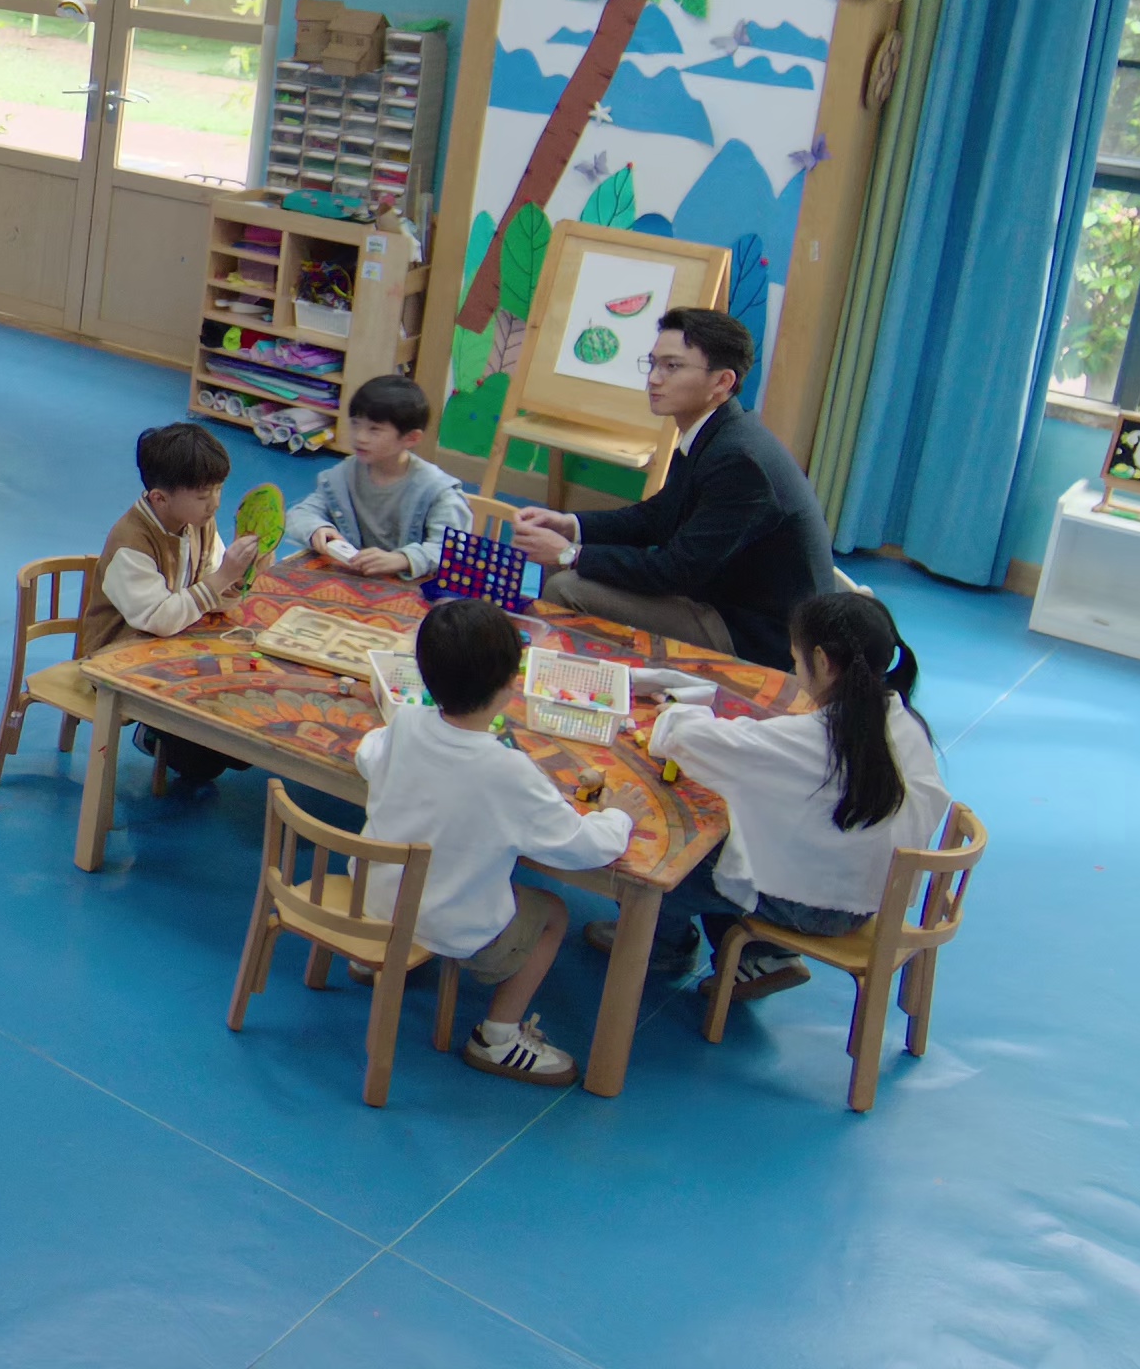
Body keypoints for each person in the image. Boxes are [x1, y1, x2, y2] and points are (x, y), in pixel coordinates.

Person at [611, 588, 953, 997]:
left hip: (821, 906)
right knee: (745, 829)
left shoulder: (819, 736)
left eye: (797, 660)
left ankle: (666, 948)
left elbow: (696, 741)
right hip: (870, 892)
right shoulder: (902, 720)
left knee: (674, 857)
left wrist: (674, 710)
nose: (796, 670)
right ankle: (762, 957)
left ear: (822, 661)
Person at [354, 598, 634, 1088]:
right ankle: (498, 1037)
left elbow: (367, 755)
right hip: (452, 926)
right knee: (554, 913)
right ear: (511, 683)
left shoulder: (405, 723)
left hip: (373, 902)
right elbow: (584, 847)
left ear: (426, 675)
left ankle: (368, 958)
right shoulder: (509, 771)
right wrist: (619, 816)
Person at [505, 307, 835, 670]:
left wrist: (571, 553)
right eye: (653, 364)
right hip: (720, 598)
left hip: (755, 635)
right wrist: (571, 525)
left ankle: (572, 682)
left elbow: (675, 570)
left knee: (565, 587)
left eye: (672, 366)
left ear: (722, 382)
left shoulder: (740, 460)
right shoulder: (714, 434)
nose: (654, 379)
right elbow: (657, 516)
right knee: (566, 568)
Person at [79, 421, 264, 794]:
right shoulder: (131, 543)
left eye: (218, 489)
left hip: (175, 642)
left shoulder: (197, 522)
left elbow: (213, 584)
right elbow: (160, 619)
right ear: (160, 498)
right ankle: (156, 734)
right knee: (206, 757)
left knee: (245, 717)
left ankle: (178, 738)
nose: (215, 503)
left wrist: (242, 575)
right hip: (122, 657)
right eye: (203, 495)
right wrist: (221, 578)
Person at [288, 375, 475, 579]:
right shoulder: (343, 475)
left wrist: (404, 559)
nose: (360, 437)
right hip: (355, 579)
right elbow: (301, 513)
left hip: (411, 586)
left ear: (411, 438)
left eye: (374, 429)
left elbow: (453, 551)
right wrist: (317, 528)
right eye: (355, 424)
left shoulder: (437, 490)